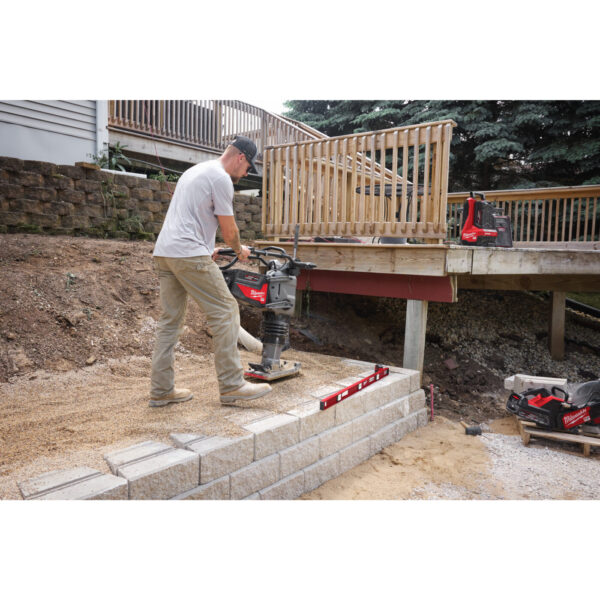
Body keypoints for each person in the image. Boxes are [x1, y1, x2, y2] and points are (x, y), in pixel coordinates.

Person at [149, 135, 272, 407]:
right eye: (249, 167)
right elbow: (230, 230)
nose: (247, 172)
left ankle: (161, 390)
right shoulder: (221, 178)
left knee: (170, 322)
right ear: (240, 157)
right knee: (226, 311)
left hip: (166, 253)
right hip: (188, 253)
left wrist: (208, 249)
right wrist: (239, 249)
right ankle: (232, 384)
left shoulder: (196, 171)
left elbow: (191, 219)